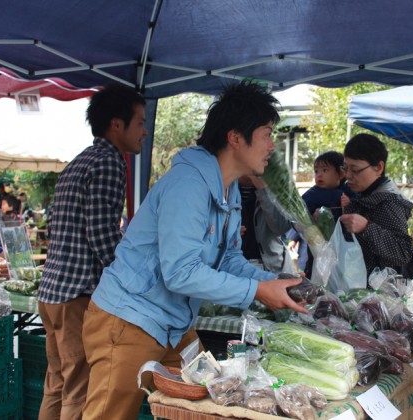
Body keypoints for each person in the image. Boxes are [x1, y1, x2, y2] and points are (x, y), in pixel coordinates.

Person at [81, 80, 307, 420]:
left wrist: (274, 281)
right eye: (266, 133)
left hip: (174, 325)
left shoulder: (227, 190)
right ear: (235, 138)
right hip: (129, 319)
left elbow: (228, 259)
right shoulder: (188, 185)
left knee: (208, 404)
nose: (272, 146)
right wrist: (257, 290)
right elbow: (180, 272)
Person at [36, 82, 148, 420]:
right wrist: (135, 279)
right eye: (140, 122)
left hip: (53, 292)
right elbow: (102, 236)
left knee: (57, 386)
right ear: (117, 124)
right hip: (78, 296)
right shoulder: (110, 164)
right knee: (78, 391)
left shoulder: (80, 161)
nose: (145, 131)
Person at [340, 133, 413, 278]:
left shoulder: (389, 202)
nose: (348, 175)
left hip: (379, 295)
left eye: (355, 170)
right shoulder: (362, 195)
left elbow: (403, 252)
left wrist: (366, 227)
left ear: (379, 167)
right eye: (345, 168)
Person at [287, 151, 353, 276]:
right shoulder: (312, 195)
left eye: (325, 170)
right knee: (318, 275)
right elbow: (297, 218)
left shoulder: (348, 190)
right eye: (316, 171)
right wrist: (312, 220)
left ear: (340, 174)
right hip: (318, 251)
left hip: (344, 248)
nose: (319, 175)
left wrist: (349, 204)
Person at [239, 174, 296, 273]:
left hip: (272, 267)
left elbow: (280, 227)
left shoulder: (275, 188)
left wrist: (264, 190)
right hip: (234, 267)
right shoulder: (224, 186)